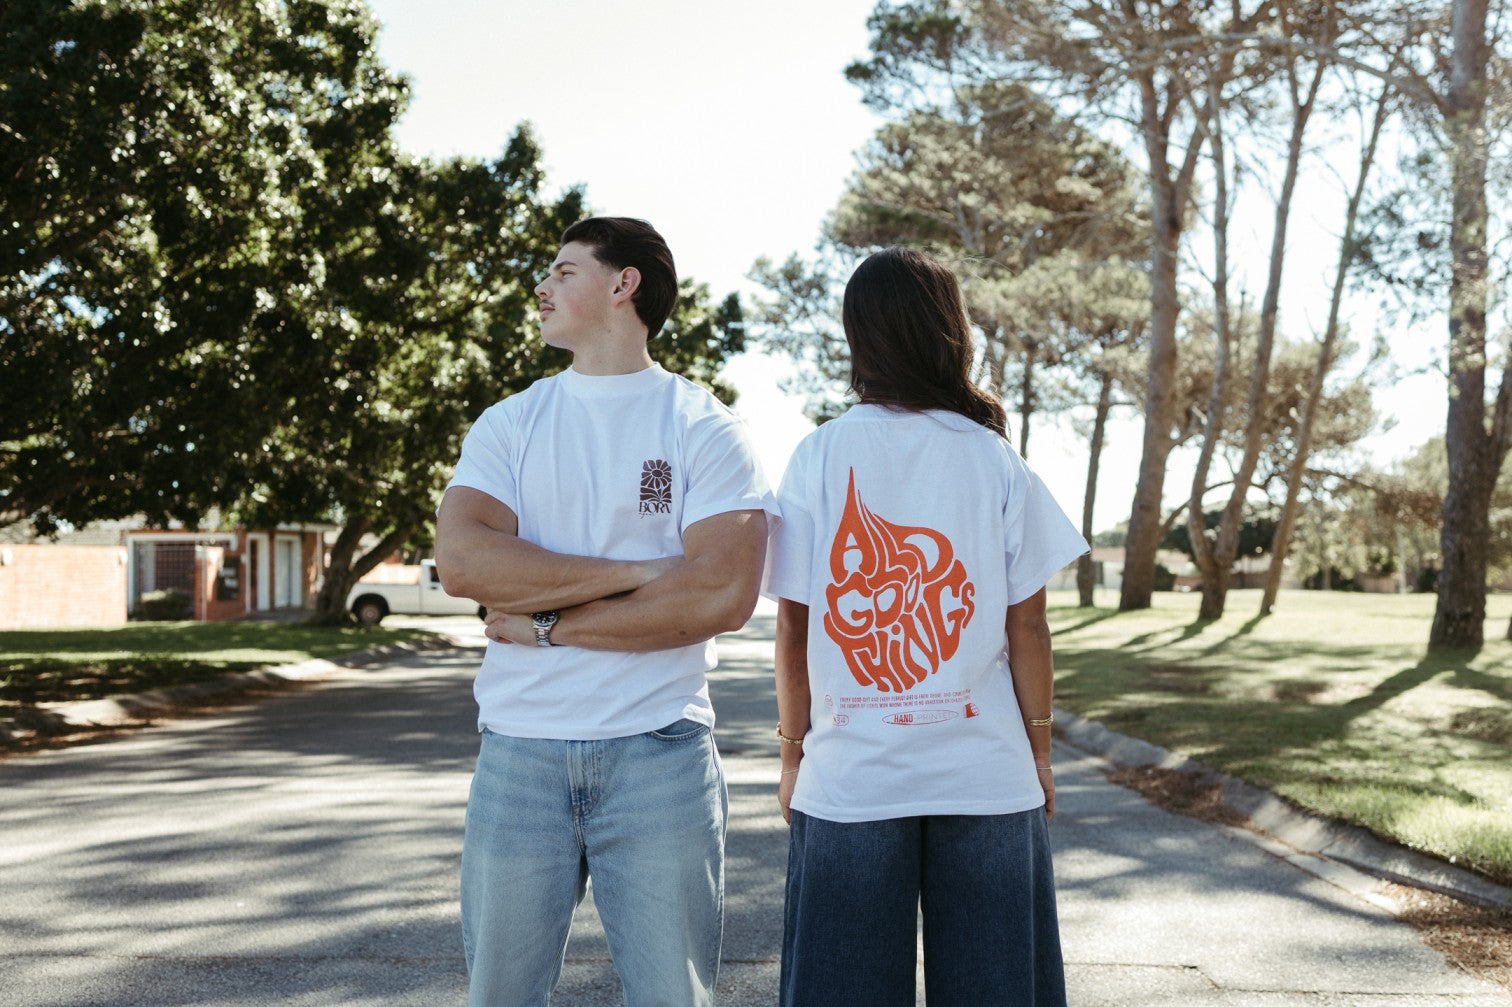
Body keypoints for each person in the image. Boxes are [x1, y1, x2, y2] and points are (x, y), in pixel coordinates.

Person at [434, 216, 776, 1007]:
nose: (541, 287)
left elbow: (720, 595)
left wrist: (546, 620)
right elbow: (463, 562)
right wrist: (640, 572)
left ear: (624, 285)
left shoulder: (705, 426)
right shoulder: (510, 423)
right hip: (520, 751)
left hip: (660, 750)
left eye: (562, 270)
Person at [763, 247, 1087, 1006]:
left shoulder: (816, 454)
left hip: (850, 777)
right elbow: (1029, 630)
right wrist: (1038, 751)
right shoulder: (994, 459)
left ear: (859, 337)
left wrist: (790, 756)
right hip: (987, 773)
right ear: (950, 331)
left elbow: (793, 631)